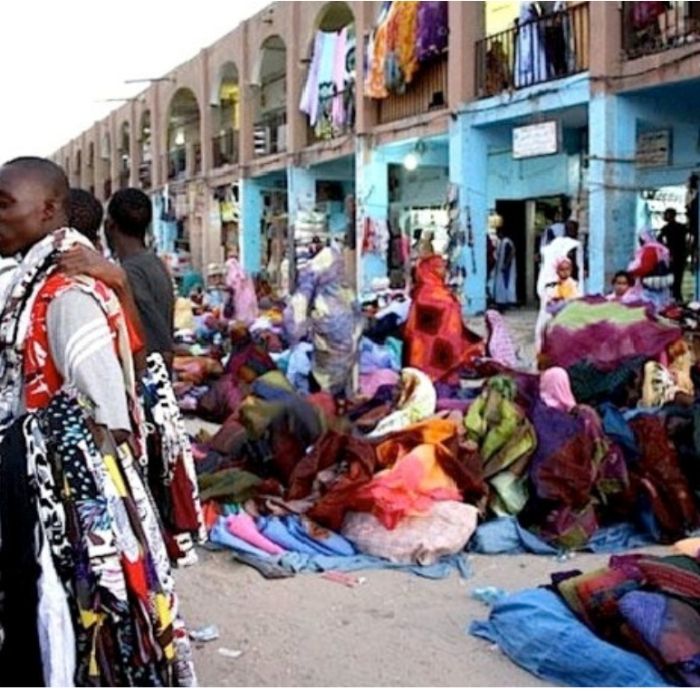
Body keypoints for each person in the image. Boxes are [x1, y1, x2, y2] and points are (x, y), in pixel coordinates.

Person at [0, 156, 196, 686]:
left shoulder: (68, 294)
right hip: (57, 484)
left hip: (67, 495)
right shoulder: (38, 283)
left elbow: (109, 415)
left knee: (69, 620)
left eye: (4, 204)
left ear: (49, 210)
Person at [105, 188, 176, 370]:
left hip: (148, 373)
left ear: (110, 226)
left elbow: (155, 338)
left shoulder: (127, 274)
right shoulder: (154, 262)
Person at [403, 253, 485, 386]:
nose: (443, 271)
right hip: (432, 345)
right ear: (429, 270)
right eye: (438, 267)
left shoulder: (427, 292)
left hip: (437, 345)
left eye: (443, 267)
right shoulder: (427, 294)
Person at [628, 228, 673, 312]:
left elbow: (646, 267)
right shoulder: (660, 248)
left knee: (650, 304)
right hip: (660, 281)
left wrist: (631, 273)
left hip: (651, 283)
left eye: (640, 238)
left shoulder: (650, 249)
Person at [658, 207, 689, 303]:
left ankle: (673, 296)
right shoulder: (682, 227)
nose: (664, 216)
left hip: (672, 255)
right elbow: (688, 239)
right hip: (680, 255)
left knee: (672, 277)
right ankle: (677, 297)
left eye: (666, 214)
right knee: (678, 277)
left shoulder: (666, 228)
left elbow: (659, 240)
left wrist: (665, 248)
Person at [491, 228, 518, 310]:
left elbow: (511, 253)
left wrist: (506, 265)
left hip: (506, 267)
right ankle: (502, 300)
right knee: (502, 283)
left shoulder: (507, 242)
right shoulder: (501, 242)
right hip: (501, 266)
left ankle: (509, 301)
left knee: (506, 283)